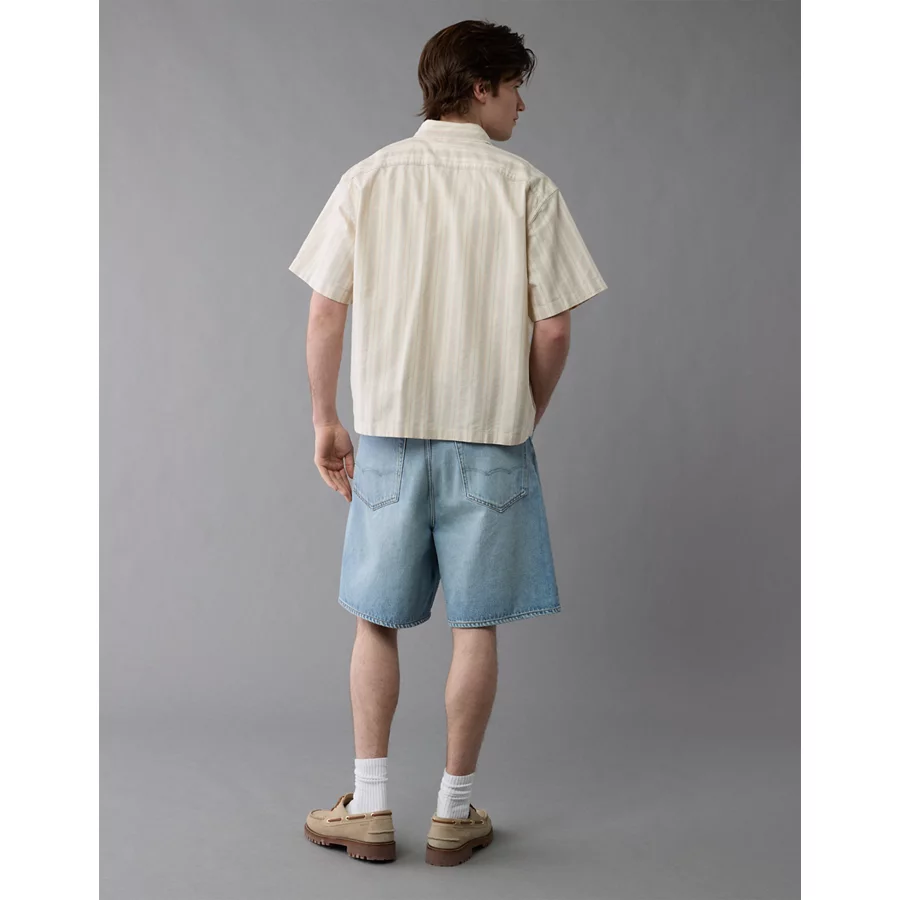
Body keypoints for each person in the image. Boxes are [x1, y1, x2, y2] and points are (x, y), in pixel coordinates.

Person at [289, 19, 607, 866]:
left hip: (389, 441)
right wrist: (522, 414)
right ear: (480, 87)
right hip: (489, 443)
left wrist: (326, 418)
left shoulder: (369, 177)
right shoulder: (527, 187)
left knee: (376, 623)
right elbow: (554, 330)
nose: (521, 105)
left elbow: (325, 310)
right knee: (476, 628)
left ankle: (370, 806)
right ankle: (452, 815)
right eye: (515, 88)